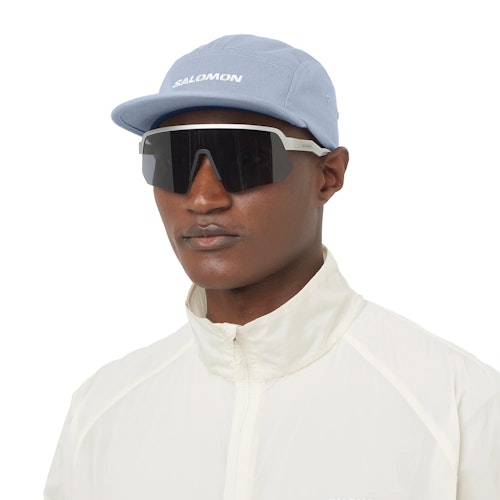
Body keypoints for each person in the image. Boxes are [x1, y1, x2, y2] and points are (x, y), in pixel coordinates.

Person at [44, 34, 500, 500]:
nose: (203, 198)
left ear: (329, 175)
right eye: (173, 160)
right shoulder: (101, 413)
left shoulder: (459, 407)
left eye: (245, 158)